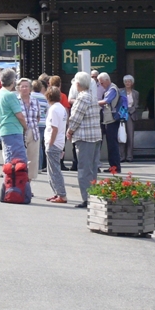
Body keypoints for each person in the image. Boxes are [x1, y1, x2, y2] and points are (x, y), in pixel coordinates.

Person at [65, 71, 101, 209]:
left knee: (84, 170)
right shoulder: (92, 96)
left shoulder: (82, 98)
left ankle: (87, 199)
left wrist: (69, 131)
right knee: (92, 169)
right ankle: (94, 196)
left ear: (78, 84)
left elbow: (75, 118)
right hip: (95, 136)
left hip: (85, 137)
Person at [0, 68, 28, 166]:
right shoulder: (10, 95)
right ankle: (18, 181)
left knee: (10, 161)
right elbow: (20, 115)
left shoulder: (0, 93)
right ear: (13, 81)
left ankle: (8, 181)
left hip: (5, 129)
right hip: (13, 130)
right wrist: (26, 127)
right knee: (19, 161)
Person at [43, 86, 68, 204]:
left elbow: (54, 128)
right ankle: (57, 192)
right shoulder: (62, 108)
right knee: (52, 170)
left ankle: (62, 195)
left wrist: (50, 143)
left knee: (54, 171)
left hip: (54, 143)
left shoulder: (53, 109)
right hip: (60, 142)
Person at [96, 72, 121, 174]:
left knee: (112, 145)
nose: (101, 85)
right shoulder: (109, 89)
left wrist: (94, 102)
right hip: (108, 119)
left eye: (102, 83)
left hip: (112, 120)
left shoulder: (112, 89)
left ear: (107, 80)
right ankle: (113, 166)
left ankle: (115, 167)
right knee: (111, 144)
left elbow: (107, 101)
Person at [18, 77, 42, 181]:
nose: (24, 89)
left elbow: (38, 116)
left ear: (30, 88)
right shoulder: (15, 100)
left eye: (26, 86)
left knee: (33, 160)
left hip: (34, 132)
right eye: (22, 86)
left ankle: (28, 185)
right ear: (18, 88)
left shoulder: (35, 101)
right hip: (20, 132)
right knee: (20, 160)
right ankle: (21, 183)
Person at [120, 75, 140, 163]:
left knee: (130, 137)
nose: (127, 83)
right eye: (126, 81)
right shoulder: (120, 91)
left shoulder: (136, 93)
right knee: (121, 136)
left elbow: (136, 105)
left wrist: (130, 110)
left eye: (129, 81)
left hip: (131, 115)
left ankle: (129, 156)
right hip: (122, 115)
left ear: (132, 83)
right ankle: (121, 156)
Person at [31, 80, 49, 172]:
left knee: (31, 145)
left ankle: (32, 166)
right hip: (42, 123)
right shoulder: (44, 98)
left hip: (32, 123)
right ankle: (40, 167)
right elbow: (47, 111)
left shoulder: (30, 97)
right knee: (40, 146)